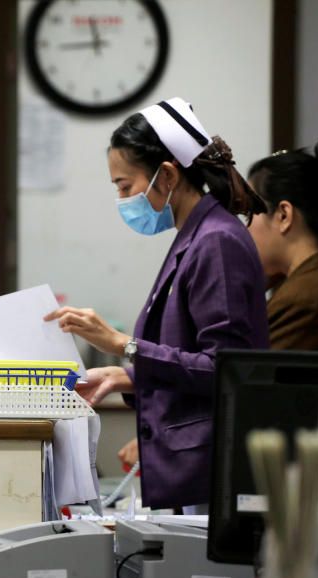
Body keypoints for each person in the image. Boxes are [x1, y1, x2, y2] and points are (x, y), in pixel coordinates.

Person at [45, 98, 269, 511]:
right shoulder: (194, 237)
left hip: (212, 474)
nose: (123, 200)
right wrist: (126, 376)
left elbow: (227, 367)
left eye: (125, 186)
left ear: (166, 174)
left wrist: (122, 345)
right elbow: (191, 357)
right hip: (198, 472)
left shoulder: (215, 242)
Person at [246, 135, 318, 351]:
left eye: (250, 215)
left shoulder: (302, 300)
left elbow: (244, 380)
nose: (245, 230)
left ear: (283, 216)